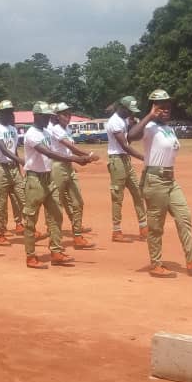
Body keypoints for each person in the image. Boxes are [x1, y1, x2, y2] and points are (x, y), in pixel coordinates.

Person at [128, 89, 192, 278]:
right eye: (161, 106)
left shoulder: (168, 128)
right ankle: (156, 264)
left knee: (184, 216)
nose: (165, 109)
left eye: (168, 105)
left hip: (170, 180)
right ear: (152, 107)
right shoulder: (149, 127)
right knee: (156, 225)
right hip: (154, 179)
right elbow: (131, 136)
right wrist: (150, 116)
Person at [22, 102, 89, 269]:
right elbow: (48, 153)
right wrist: (75, 159)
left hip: (48, 177)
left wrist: (77, 159)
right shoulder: (32, 134)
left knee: (56, 215)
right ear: (36, 116)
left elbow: (57, 154)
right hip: (34, 179)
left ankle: (56, 251)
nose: (49, 119)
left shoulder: (45, 131)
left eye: (50, 116)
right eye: (45, 116)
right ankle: (30, 255)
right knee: (31, 219)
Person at [48, 102, 97, 248]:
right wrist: (88, 155)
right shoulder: (55, 129)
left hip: (68, 165)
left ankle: (77, 235)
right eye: (64, 114)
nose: (68, 116)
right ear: (57, 116)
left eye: (69, 113)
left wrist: (83, 158)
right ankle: (54, 238)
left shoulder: (67, 129)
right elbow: (69, 147)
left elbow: (71, 150)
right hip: (57, 166)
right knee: (56, 203)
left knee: (77, 202)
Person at [106, 95, 148, 242]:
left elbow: (130, 139)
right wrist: (144, 158)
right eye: (129, 111)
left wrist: (133, 126)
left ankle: (144, 227)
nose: (132, 114)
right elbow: (124, 145)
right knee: (118, 197)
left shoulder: (123, 120)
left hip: (125, 160)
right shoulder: (114, 122)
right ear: (122, 108)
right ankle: (116, 231)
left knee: (137, 192)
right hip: (117, 160)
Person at [0, 100, 26, 246]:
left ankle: (28, 227)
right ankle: (1, 234)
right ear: (0, 113)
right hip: (0, 169)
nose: (9, 114)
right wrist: (20, 159)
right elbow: (3, 149)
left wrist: (18, 166)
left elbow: (14, 148)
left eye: (11, 111)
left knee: (23, 198)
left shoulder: (13, 129)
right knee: (1, 203)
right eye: (6, 111)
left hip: (13, 168)